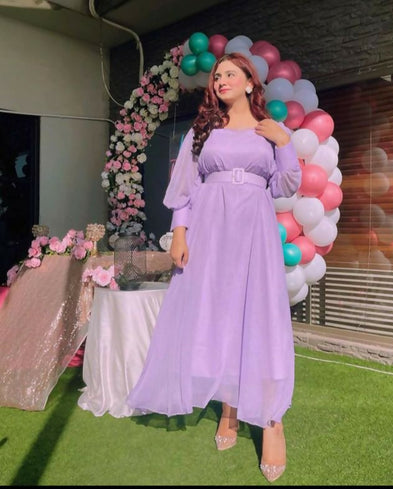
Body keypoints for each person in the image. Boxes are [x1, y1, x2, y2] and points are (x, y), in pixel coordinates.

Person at [127, 52, 301, 483]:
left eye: (230, 74)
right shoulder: (203, 130)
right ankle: (229, 408)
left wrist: (284, 142)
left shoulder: (268, 130)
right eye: (217, 75)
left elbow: (286, 186)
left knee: (260, 320)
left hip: (255, 235)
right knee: (220, 318)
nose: (221, 80)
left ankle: (272, 422)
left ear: (250, 82)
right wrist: (180, 233)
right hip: (211, 234)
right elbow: (185, 189)